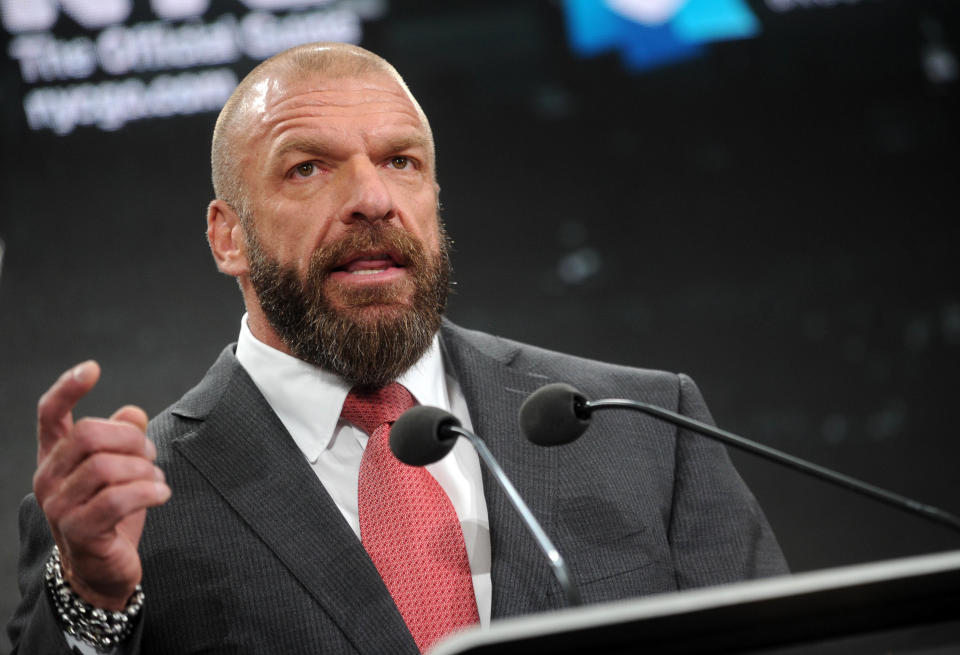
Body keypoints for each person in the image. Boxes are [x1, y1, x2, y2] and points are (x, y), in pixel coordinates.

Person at [8, 42, 788, 654]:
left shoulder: (643, 426)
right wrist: (92, 598)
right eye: (308, 168)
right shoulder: (120, 511)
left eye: (401, 162)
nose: (373, 199)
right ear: (228, 236)